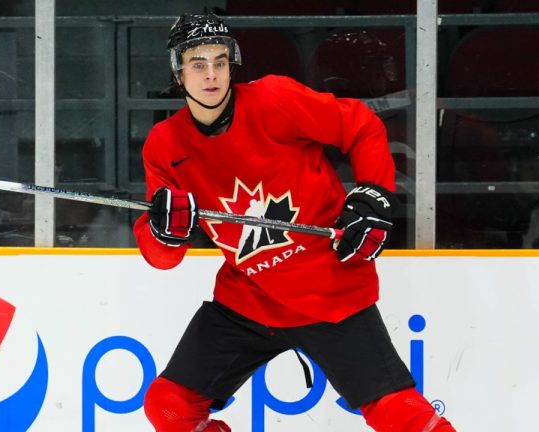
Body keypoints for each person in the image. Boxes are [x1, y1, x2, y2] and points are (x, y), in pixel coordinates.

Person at [133, 13, 456, 432]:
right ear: (179, 73)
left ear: (233, 64)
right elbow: (160, 258)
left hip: (330, 291)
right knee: (169, 406)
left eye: (220, 61)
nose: (211, 74)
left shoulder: (273, 100)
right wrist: (165, 234)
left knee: (401, 415)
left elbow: (362, 126)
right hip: (245, 299)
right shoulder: (165, 144)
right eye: (197, 64)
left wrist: (374, 195)